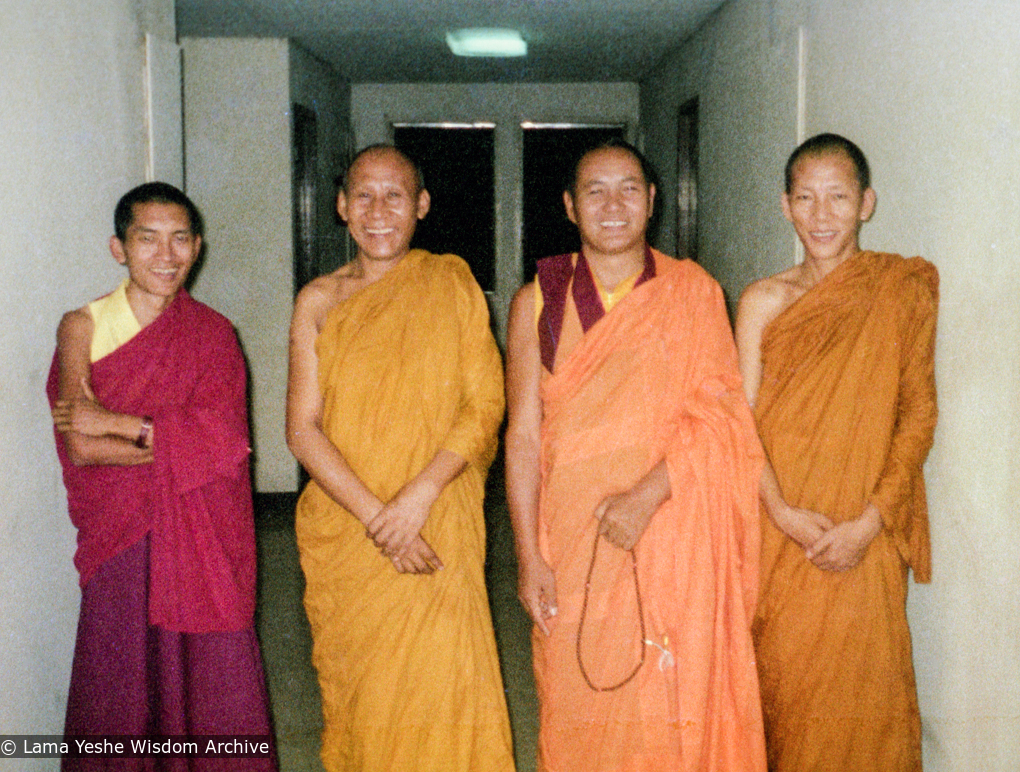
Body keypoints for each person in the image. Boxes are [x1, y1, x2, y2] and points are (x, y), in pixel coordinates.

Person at [505, 140, 767, 772]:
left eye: (629, 188)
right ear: (570, 205)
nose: (613, 204)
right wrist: (526, 555)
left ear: (653, 201)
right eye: (595, 190)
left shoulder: (693, 291)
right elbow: (523, 435)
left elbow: (723, 418)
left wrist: (645, 496)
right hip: (573, 535)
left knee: (671, 694)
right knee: (579, 693)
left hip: (671, 525)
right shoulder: (538, 300)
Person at [286, 145, 514, 772]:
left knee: (442, 688)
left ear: (422, 206)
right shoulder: (318, 302)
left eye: (395, 196)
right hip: (351, 528)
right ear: (340, 205)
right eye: (363, 194)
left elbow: (485, 402)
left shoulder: (451, 280)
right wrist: (378, 519)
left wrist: (416, 499)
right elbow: (302, 430)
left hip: (437, 515)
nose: (378, 210)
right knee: (367, 695)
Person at [48, 182, 276, 769]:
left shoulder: (213, 335)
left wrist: (120, 422)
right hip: (120, 537)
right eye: (147, 239)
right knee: (121, 684)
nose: (166, 255)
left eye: (180, 240)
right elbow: (81, 446)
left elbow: (226, 442)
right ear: (119, 248)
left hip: (199, 537)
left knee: (207, 676)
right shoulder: (82, 325)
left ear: (197, 247)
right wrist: (177, 442)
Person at [734, 133, 938, 772]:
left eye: (838, 198)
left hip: (865, 534)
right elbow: (738, 425)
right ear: (785, 206)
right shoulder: (762, 301)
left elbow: (917, 415)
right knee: (792, 705)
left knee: (868, 712)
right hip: (782, 534)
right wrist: (782, 514)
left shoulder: (899, 289)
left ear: (866, 203)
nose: (821, 216)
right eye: (806, 199)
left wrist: (872, 521)